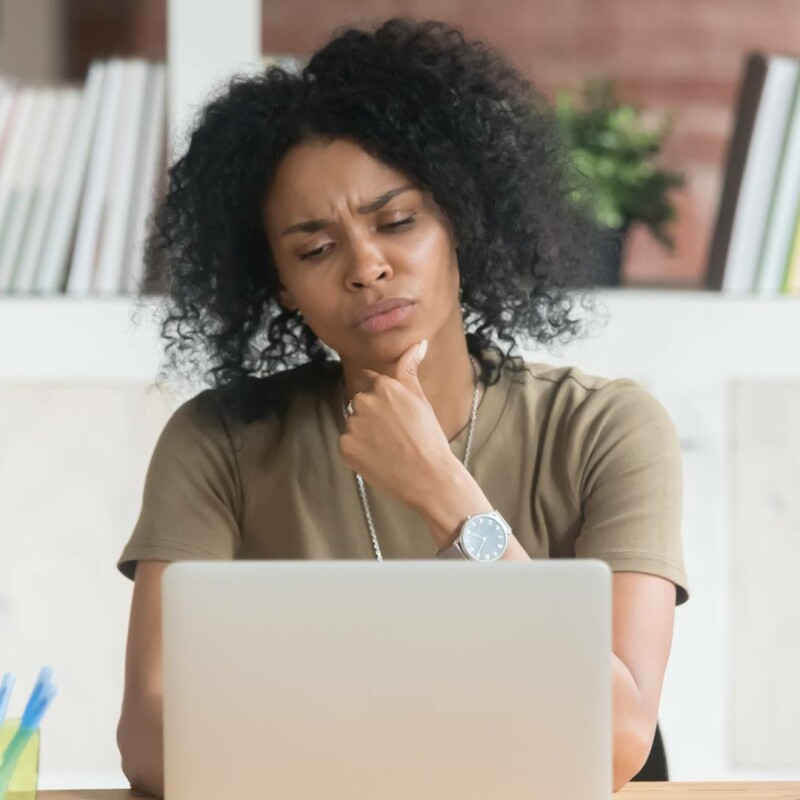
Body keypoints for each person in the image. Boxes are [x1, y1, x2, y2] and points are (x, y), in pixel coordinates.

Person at [116, 18, 689, 798]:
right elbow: (150, 738)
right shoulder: (220, 443)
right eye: (315, 249)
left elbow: (620, 739)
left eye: (397, 221)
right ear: (280, 285)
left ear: (459, 218)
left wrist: (444, 494)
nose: (367, 267)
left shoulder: (605, 430)